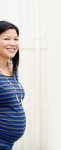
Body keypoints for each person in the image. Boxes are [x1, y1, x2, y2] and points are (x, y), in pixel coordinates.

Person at [0, 21, 26, 150]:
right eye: (6, 39)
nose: (13, 43)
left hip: (7, 145)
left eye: (15, 39)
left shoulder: (12, 69)